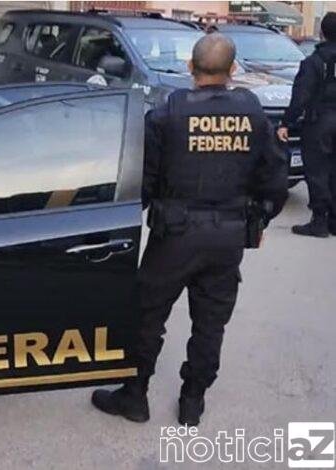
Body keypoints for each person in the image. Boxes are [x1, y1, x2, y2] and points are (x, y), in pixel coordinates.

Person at [91, 33, 289, 426]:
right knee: (210, 323)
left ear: (189, 67)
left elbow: (143, 181)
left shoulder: (167, 114)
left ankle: (135, 396)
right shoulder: (253, 114)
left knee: (147, 317)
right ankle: (192, 402)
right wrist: (261, 219)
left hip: (174, 237)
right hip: (227, 237)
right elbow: (274, 178)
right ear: (233, 70)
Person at [278, 12, 336, 237]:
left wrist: (286, 122)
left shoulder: (314, 62)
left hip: (320, 122)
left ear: (321, 33)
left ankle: (319, 220)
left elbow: (301, 96)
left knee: (317, 171)